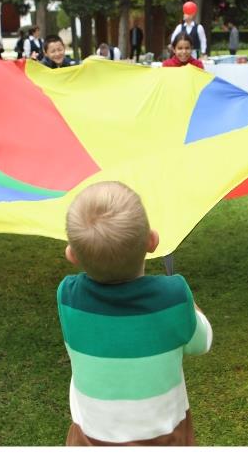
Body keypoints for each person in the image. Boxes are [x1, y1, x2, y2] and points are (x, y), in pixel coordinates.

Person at [58, 181, 212, 445]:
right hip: (165, 441)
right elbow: (202, 342)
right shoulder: (173, 296)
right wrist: (188, 302)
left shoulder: (68, 296)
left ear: (72, 255)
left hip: (90, 441)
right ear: (152, 241)